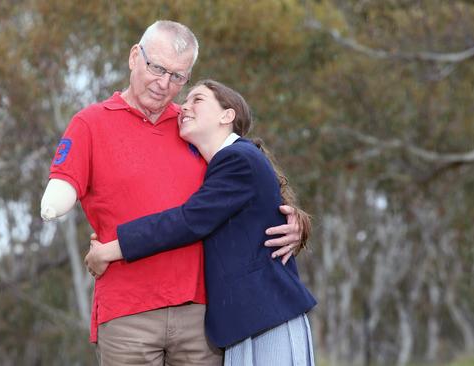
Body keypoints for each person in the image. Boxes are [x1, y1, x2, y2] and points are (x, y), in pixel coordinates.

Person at [41, 20, 306, 365]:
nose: (164, 84)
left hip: (203, 314)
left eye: (178, 77)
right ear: (135, 56)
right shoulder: (91, 122)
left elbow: (243, 190)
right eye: (157, 68)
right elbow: (65, 181)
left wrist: (295, 220)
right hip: (127, 313)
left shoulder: (191, 125)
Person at [85, 80, 316, 365]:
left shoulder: (237, 159)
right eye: (186, 100)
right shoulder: (233, 161)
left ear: (226, 116)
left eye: (198, 100)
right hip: (249, 321)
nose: (185, 106)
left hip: (267, 317)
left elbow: (188, 221)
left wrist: (110, 250)